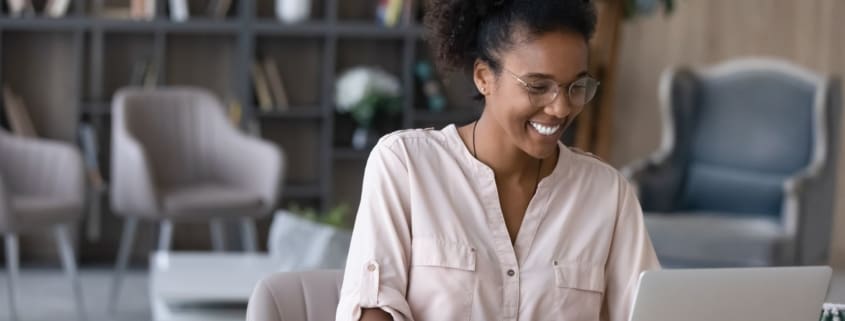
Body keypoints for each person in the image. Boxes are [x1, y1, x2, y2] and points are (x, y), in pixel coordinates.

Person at [336, 0, 660, 320]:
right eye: (538, 86)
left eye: (576, 86)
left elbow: (650, 311)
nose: (561, 108)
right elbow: (371, 307)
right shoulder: (405, 166)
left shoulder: (607, 194)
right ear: (483, 77)